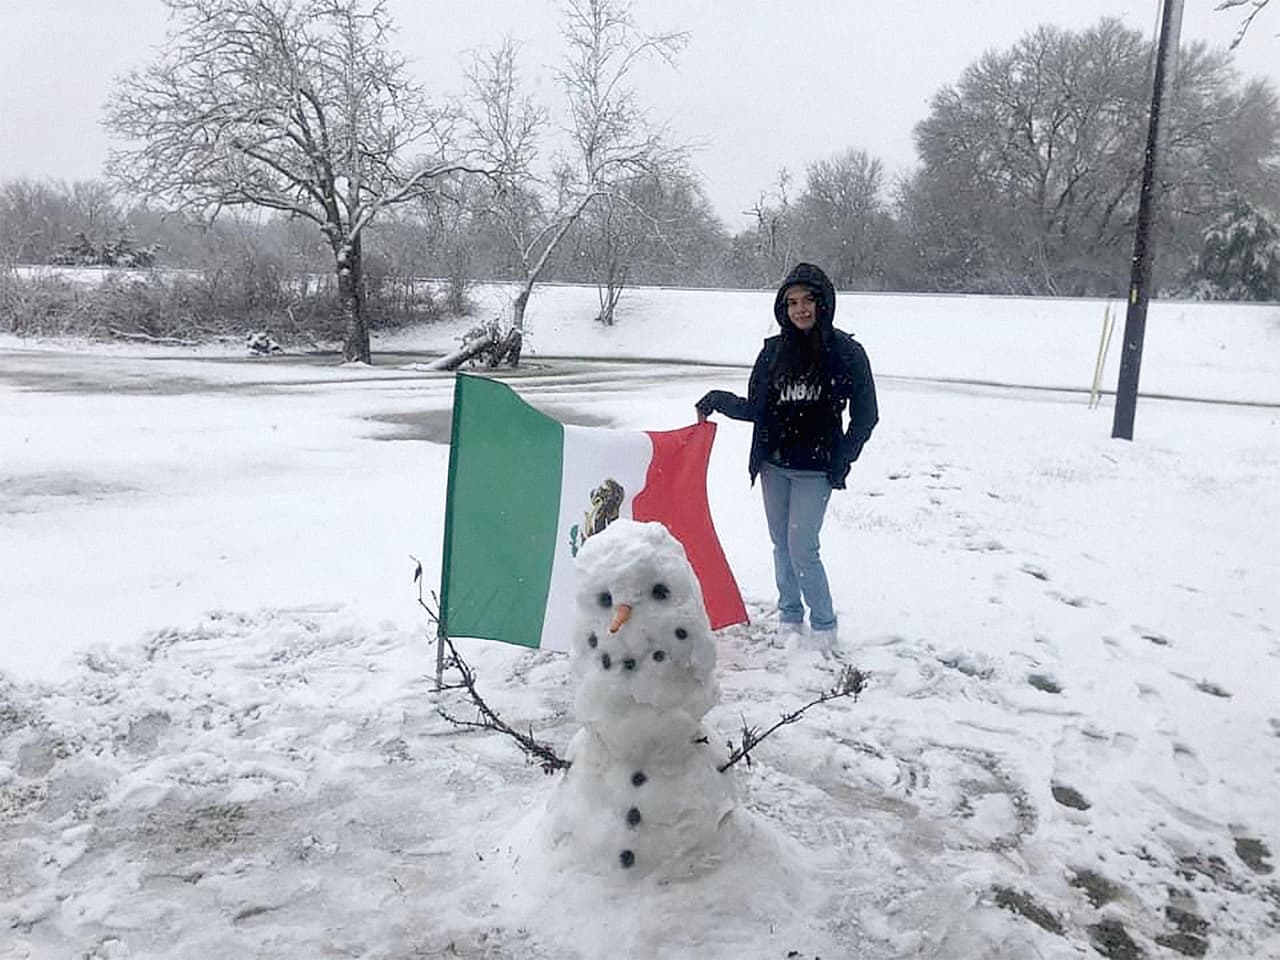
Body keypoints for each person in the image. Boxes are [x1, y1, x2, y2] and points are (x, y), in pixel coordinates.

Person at [695, 262, 878, 646]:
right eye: (792, 302)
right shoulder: (773, 352)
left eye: (808, 300)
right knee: (781, 544)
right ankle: (790, 617)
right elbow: (758, 408)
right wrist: (720, 401)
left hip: (815, 470)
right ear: (783, 309)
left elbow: (866, 415)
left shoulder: (846, 353)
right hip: (773, 465)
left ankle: (825, 626)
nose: (801, 309)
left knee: (803, 547)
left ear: (823, 302)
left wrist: (842, 457)